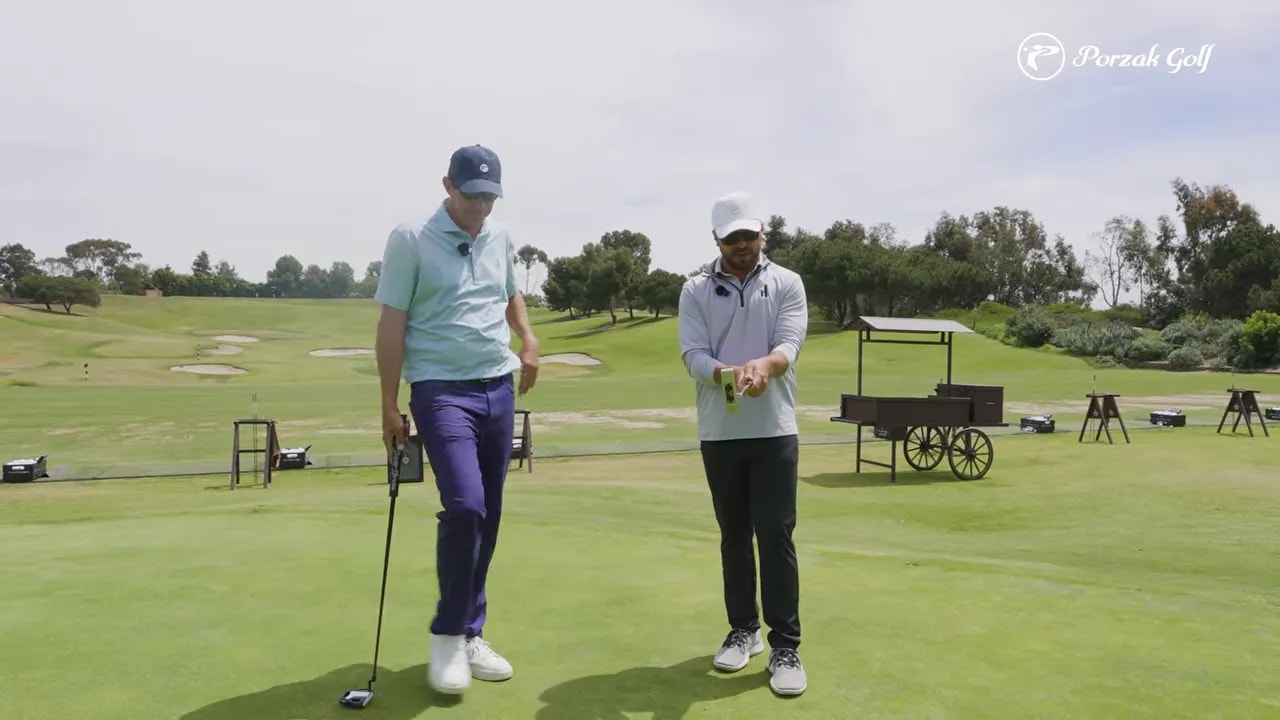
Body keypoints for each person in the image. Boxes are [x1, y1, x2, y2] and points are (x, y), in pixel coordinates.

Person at [373, 144, 539, 696]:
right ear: (448, 186)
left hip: (498, 386)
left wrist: (528, 338)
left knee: (488, 515)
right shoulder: (411, 238)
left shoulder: (500, 236)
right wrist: (388, 403)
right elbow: (392, 322)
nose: (481, 207)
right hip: (441, 390)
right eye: (472, 196)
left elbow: (510, 294)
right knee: (466, 506)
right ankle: (447, 634)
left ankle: (471, 632)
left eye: (490, 197)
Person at [677, 191, 810, 697]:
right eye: (732, 238)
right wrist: (727, 375)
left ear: (762, 234)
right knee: (734, 535)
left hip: (774, 429)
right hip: (720, 432)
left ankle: (785, 646)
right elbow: (693, 355)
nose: (742, 245)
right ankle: (744, 631)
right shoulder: (695, 290)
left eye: (749, 236)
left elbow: (789, 344)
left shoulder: (787, 283)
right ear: (717, 239)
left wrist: (766, 366)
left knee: (775, 535)